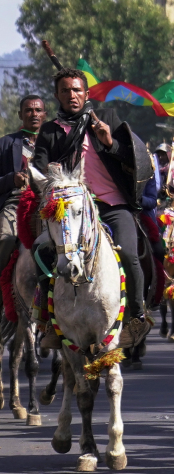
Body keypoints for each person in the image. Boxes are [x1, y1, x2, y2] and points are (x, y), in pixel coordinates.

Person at [32, 68, 152, 349]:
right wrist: (51, 170)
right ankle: (49, 321)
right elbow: (38, 166)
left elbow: (135, 158)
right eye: (65, 91)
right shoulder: (50, 130)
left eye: (76, 90)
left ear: (86, 93)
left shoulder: (105, 118)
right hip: (69, 209)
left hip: (110, 204)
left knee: (131, 254)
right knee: (41, 251)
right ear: (57, 96)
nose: (71, 95)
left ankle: (137, 315)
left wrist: (109, 141)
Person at [0, 95, 45, 275]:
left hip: (48, 203)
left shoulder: (54, 143)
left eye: (38, 110)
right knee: (6, 239)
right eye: (28, 110)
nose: (33, 114)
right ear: (20, 115)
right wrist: (12, 179)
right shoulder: (6, 144)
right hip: (16, 203)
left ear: (44, 114)